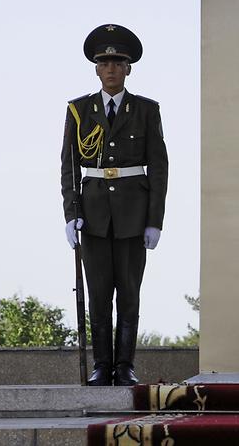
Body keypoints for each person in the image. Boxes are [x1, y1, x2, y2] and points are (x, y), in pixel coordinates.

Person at [60, 23, 169, 386]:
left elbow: (159, 167)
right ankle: (101, 365)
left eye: (118, 62)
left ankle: (124, 366)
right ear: (95, 68)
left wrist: (155, 220)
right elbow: (69, 166)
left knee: (129, 294)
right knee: (99, 294)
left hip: (132, 216)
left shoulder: (146, 110)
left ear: (128, 68)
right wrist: (71, 215)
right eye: (104, 63)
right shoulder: (78, 110)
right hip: (92, 216)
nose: (111, 69)